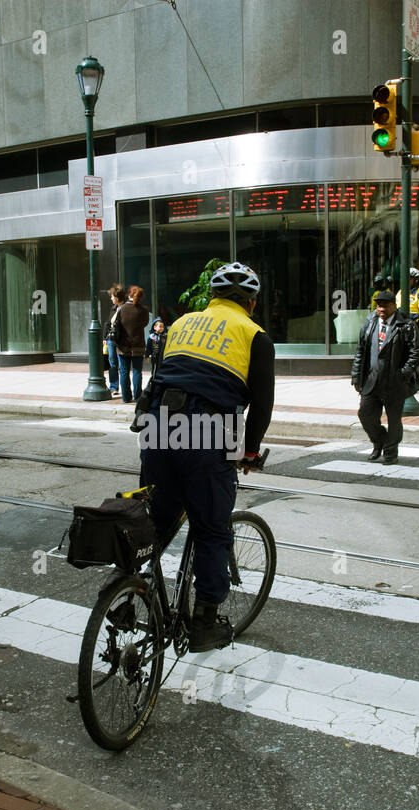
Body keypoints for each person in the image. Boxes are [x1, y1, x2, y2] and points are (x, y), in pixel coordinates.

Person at [136, 261, 275, 652]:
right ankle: (204, 625)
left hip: (159, 423)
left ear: (211, 297)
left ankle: (129, 590)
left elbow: (160, 376)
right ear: (251, 303)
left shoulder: (181, 324)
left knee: (155, 520)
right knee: (213, 529)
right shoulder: (255, 336)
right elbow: (261, 406)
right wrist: (249, 451)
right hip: (210, 429)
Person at [352, 289, 419, 465]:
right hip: (371, 380)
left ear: (394, 306)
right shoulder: (370, 323)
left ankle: (391, 452)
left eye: (385, 305)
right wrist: (356, 377)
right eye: (378, 305)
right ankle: (379, 441)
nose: (381, 309)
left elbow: (415, 354)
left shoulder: (406, 325)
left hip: (394, 383)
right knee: (365, 414)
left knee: (394, 420)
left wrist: (402, 375)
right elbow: (361, 351)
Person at [115, 285, 150, 402]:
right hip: (138, 345)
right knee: (137, 372)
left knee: (124, 372)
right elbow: (145, 323)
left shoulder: (122, 309)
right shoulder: (143, 310)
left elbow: (115, 323)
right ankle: (138, 396)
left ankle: (126, 397)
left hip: (123, 345)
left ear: (129, 294)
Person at [105, 283, 125, 397]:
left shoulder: (125, 308)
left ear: (117, 297)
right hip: (111, 340)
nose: (111, 298)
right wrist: (105, 338)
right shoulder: (113, 308)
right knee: (112, 364)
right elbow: (107, 324)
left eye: (112, 296)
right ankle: (114, 387)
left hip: (121, 340)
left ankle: (124, 386)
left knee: (122, 365)